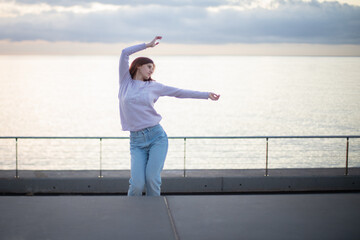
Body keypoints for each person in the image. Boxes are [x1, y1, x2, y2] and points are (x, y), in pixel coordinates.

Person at [119, 36, 220, 196]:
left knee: (152, 179)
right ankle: (132, 217)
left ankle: (154, 215)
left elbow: (179, 92)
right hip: (136, 141)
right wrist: (148, 45)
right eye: (149, 66)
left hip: (156, 137)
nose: (151, 70)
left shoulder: (154, 86)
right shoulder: (125, 82)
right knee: (137, 184)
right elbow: (124, 53)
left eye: (153, 68)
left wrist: (206, 94)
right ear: (138, 66)